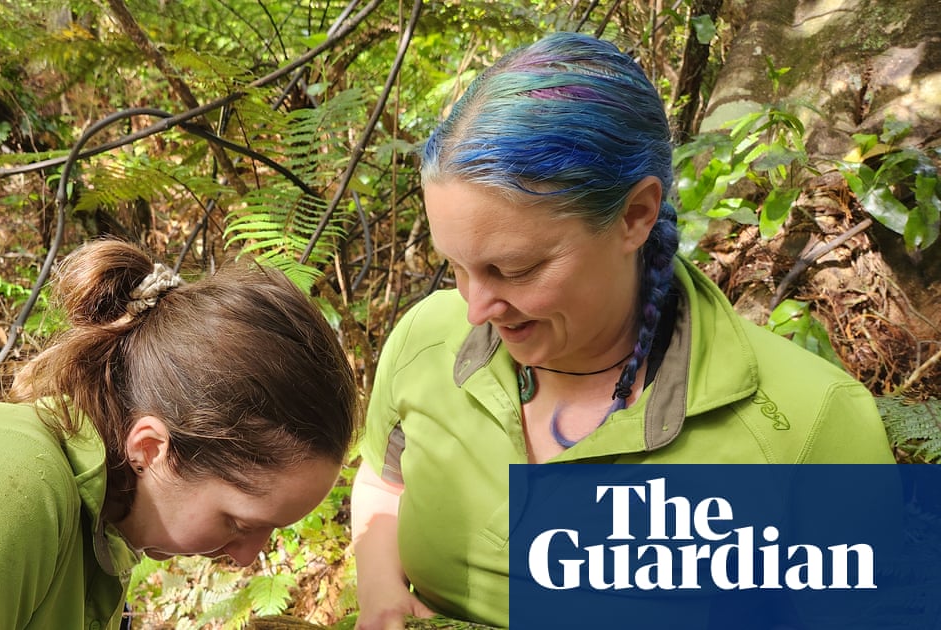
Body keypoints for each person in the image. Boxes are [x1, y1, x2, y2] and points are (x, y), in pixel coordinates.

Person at [350, 32, 895, 630]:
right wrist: (380, 588)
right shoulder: (427, 340)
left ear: (635, 215)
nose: (475, 308)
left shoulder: (810, 423)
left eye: (515, 269)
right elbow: (383, 481)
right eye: (456, 266)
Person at [0, 239, 359, 630]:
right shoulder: (1, 491)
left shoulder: (103, 508)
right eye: (239, 521)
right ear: (151, 449)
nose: (249, 557)